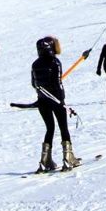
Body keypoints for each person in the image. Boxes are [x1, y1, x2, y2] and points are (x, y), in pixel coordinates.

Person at [25, 36, 80, 172]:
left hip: (42, 101)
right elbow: (58, 84)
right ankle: (68, 158)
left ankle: (45, 160)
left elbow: (34, 84)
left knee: (49, 128)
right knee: (63, 128)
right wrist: (62, 100)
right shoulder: (55, 62)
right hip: (55, 100)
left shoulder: (35, 64)